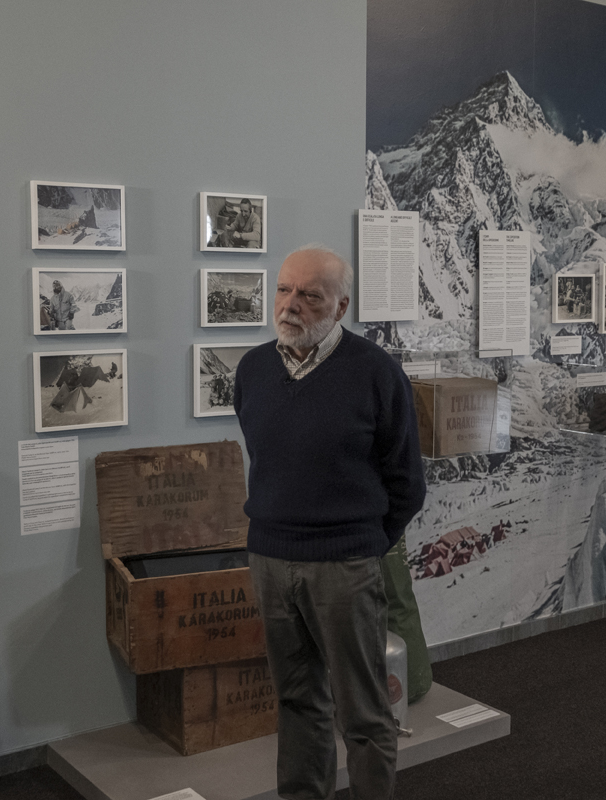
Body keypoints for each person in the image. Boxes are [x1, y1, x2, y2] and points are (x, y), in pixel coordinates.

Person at [234, 244, 426, 800]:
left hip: (344, 565)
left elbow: (406, 483)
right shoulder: (252, 371)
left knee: (363, 714)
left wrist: (360, 546)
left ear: (341, 307)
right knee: (296, 703)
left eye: (310, 295)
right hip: (270, 558)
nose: (291, 305)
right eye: (284, 290)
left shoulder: (375, 374)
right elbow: (267, 459)